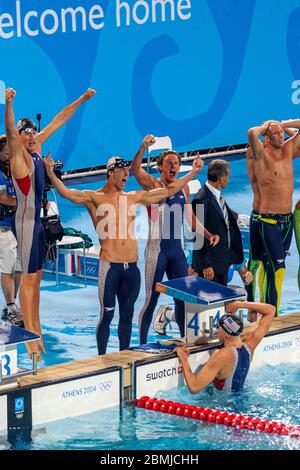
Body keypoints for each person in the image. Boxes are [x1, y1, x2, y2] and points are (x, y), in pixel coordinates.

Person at [45, 147, 204, 355]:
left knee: (127, 316)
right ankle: (101, 358)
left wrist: (192, 173)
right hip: (110, 266)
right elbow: (66, 193)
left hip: (133, 268)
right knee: (107, 315)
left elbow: (167, 191)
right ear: (111, 172)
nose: (127, 176)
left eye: (128, 172)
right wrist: (50, 172)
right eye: (123, 172)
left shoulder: (132, 197)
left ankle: (126, 356)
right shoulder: (94, 197)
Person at [4, 87, 96, 361]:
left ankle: (38, 329)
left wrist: (80, 101)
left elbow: (59, 120)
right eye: (27, 133)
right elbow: (9, 129)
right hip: (24, 225)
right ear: (18, 138)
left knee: (38, 278)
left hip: (39, 224)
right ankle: (31, 338)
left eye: (34, 132)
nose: (32, 136)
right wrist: (9, 104)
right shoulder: (19, 155)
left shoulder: (35, 148)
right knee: (29, 283)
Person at [130, 135, 219, 344]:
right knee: (151, 300)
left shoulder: (184, 188)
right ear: (160, 167)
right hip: (156, 253)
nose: (174, 166)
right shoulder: (153, 184)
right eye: (169, 163)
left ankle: (184, 341)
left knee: (183, 300)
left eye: (177, 163)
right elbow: (135, 170)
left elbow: (190, 219)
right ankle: (141, 344)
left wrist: (208, 235)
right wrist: (142, 147)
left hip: (176, 253)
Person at [247, 120, 300, 315]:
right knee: (277, 269)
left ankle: (263, 309)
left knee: (272, 268)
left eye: (282, 133)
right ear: (266, 140)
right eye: (276, 134)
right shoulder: (261, 155)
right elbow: (252, 133)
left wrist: (282, 123)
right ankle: (272, 315)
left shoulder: (288, 150)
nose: (282, 136)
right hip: (268, 221)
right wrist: (267, 126)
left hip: (287, 222)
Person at [175, 301, 275, 393]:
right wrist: (239, 304)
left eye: (219, 328)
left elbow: (194, 388)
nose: (216, 330)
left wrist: (184, 358)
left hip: (223, 407)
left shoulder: (222, 355)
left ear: (227, 334)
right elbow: (271, 310)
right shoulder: (250, 344)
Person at [191, 159, 246, 286]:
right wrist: (206, 265)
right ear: (221, 179)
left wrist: (239, 217)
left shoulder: (215, 195)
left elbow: (222, 214)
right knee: (211, 302)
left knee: (222, 302)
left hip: (222, 261)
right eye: (228, 177)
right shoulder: (200, 200)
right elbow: (198, 235)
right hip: (210, 267)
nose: (228, 180)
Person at [0, 134, 23, 326]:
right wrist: (22, 203)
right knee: (7, 268)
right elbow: (2, 198)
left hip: (17, 226)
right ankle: (10, 306)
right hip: (2, 229)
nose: (9, 156)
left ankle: (10, 306)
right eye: (6, 153)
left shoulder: (14, 168)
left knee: (19, 268)